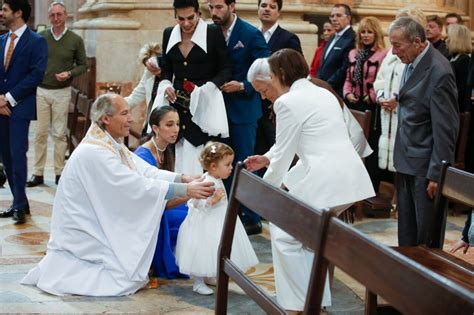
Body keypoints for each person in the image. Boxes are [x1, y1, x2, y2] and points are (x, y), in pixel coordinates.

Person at [21, 94, 215, 296]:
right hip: (84, 226)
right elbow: (135, 185)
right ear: (106, 118)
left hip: (94, 215)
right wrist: (187, 191)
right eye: (125, 113)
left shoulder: (109, 142)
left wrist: (182, 178)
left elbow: (143, 170)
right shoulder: (96, 152)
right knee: (121, 277)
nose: (131, 119)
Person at [245, 50, 374, 314]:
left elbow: (284, 154)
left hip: (326, 180)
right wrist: (266, 160)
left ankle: (297, 307)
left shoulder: (288, 102)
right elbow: (300, 140)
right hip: (349, 178)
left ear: (280, 74)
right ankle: (315, 303)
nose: (269, 83)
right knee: (307, 238)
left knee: (285, 234)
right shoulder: (321, 92)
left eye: (270, 76)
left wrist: (264, 193)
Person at [389, 17, 459, 247]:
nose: (393, 51)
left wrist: (437, 174)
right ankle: (407, 280)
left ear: (417, 42)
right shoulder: (412, 61)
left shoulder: (439, 71)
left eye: (397, 45)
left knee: (425, 239)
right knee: (407, 234)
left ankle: (425, 283)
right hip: (408, 160)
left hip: (425, 168)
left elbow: (446, 128)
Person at [208, 0, 271, 235]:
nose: (214, 13)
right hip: (216, 111)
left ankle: (252, 217)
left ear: (232, 6)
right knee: (220, 164)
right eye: (211, 7)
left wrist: (244, 85)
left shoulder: (250, 33)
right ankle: (227, 212)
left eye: (219, 7)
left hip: (243, 110)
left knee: (244, 164)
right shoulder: (210, 31)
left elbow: (267, 67)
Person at [157, 0, 232, 176]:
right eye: (180, 19)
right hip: (177, 104)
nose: (186, 23)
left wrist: (210, 87)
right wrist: (166, 83)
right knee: (177, 149)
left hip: (205, 103)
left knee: (201, 152)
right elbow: (166, 69)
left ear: (198, 13)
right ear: (175, 16)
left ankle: (200, 198)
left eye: (190, 18)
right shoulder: (169, 33)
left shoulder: (212, 32)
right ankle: (181, 198)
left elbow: (226, 69)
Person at [175, 141, 258, 295]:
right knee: (203, 249)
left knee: (215, 248)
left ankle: (209, 275)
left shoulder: (217, 179)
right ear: (213, 166)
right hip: (204, 223)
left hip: (218, 220)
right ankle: (198, 282)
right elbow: (195, 202)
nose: (231, 168)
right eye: (227, 164)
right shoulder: (206, 182)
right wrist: (212, 201)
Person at [27, 2, 87, 188]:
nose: (56, 18)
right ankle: (37, 173)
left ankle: (60, 173)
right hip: (42, 90)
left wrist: (69, 74)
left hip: (62, 92)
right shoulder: (41, 37)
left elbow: (83, 65)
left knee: (59, 134)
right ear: (48, 17)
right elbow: (32, 60)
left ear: (66, 15)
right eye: (52, 15)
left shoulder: (75, 40)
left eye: (59, 14)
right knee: (39, 133)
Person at [373, 6, 427, 211]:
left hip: (403, 112)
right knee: (391, 156)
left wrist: (397, 99)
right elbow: (380, 79)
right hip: (388, 111)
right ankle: (396, 195)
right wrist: (380, 97)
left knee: (404, 157)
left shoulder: (416, 52)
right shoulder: (390, 53)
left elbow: (416, 84)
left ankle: (400, 197)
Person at [0, 0, 48, 224]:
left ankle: (19, 205)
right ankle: (19, 200)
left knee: (17, 155)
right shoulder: (1, 40)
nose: (1, 13)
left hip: (20, 107)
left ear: (18, 13)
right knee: (6, 157)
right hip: (0, 108)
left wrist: (9, 99)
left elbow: (35, 75)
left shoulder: (37, 41)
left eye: (5, 9)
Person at [134, 106, 189, 279]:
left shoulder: (166, 150)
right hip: (149, 214)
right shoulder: (143, 156)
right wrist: (191, 194)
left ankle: (198, 262)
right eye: (169, 124)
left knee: (199, 211)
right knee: (192, 217)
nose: (176, 130)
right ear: (155, 128)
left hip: (162, 207)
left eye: (178, 124)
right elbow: (153, 203)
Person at [255, 0, 302, 172]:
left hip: (277, 105)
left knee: (281, 149)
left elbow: (296, 72)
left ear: (279, 12)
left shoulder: (288, 38)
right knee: (259, 152)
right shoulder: (253, 35)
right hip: (254, 103)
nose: (267, 9)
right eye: (264, 5)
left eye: (272, 7)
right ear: (258, 8)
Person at [343, 16, 387, 192]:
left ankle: (370, 188)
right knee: (354, 144)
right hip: (355, 105)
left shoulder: (384, 54)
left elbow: (383, 80)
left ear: (376, 34)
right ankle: (353, 185)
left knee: (371, 148)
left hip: (373, 107)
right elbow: (348, 78)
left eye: (369, 32)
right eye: (363, 32)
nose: (366, 35)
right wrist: (347, 93)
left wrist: (373, 95)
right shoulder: (354, 53)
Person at [317, 4, 355, 97]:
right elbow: (324, 64)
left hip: (336, 91)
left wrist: (327, 85)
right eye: (332, 16)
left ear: (348, 18)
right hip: (323, 89)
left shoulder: (352, 38)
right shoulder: (332, 37)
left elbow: (345, 68)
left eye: (338, 15)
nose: (334, 19)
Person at [125, 42, 162, 136]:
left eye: (153, 65)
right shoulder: (148, 73)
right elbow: (135, 97)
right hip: (152, 123)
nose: (151, 69)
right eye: (147, 66)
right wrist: (114, 105)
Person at [446, 24, 472, 112]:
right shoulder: (452, 57)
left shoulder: (465, 60)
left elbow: (462, 89)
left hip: (457, 107)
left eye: (449, 38)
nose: (446, 40)